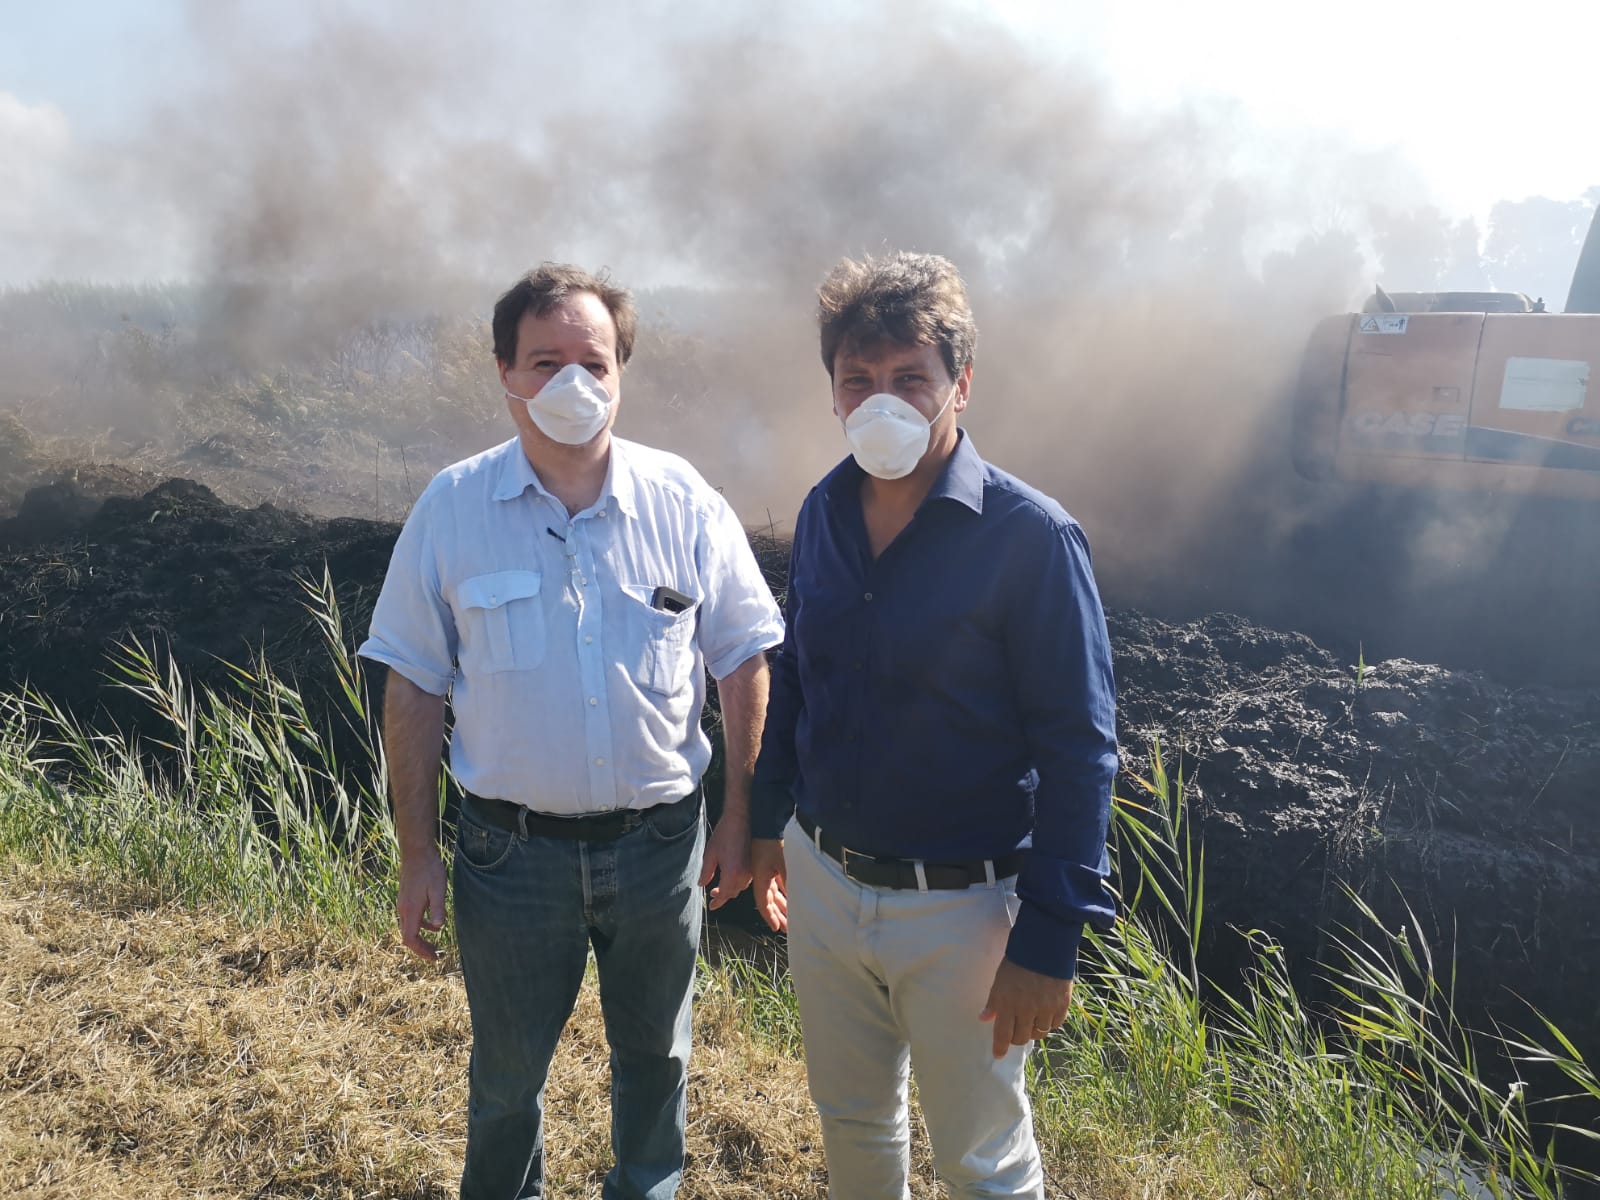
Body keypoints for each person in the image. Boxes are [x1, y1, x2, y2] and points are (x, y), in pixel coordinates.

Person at [359, 263, 784, 1200]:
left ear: (622, 371)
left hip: (659, 849)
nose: (570, 384)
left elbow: (745, 655)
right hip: (512, 861)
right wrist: (418, 852)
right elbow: (414, 683)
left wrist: (742, 816)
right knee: (506, 1083)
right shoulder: (453, 510)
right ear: (504, 371)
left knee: (658, 1065)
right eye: (544, 361)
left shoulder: (683, 501)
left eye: (591, 361)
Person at [748, 251, 1117, 1199]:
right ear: (831, 393)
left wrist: (1049, 942)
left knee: (984, 1162)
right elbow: (798, 675)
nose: (883, 402)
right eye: (859, 381)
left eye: (910, 378)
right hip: (826, 886)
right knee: (855, 1124)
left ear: (962, 383)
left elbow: (1080, 750)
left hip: (961, 911)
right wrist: (766, 823)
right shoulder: (825, 510)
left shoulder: (1030, 539)